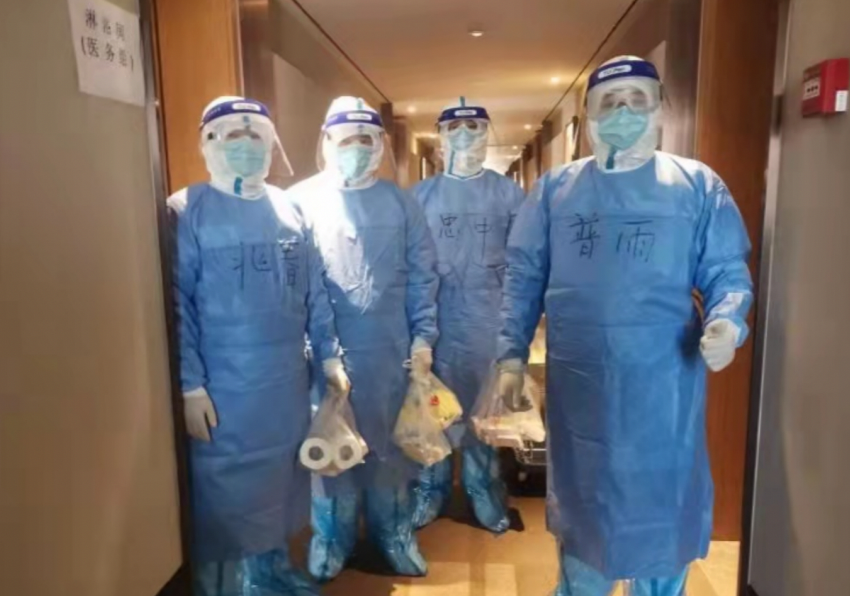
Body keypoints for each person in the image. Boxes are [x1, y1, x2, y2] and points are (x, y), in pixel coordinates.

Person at [495, 57, 754, 596]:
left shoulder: (695, 185)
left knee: (662, 508)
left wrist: (727, 323)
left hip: (664, 383)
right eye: (610, 102)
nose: (624, 113)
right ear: (589, 114)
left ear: (659, 108)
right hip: (581, 381)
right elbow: (522, 278)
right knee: (588, 516)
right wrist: (511, 355)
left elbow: (726, 269)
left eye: (637, 100)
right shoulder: (555, 191)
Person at [168, 96, 350, 596]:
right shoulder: (186, 210)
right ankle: (225, 585)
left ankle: (272, 571)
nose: (247, 145)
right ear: (208, 143)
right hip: (223, 391)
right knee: (226, 493)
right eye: (234, 135)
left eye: (256, 136)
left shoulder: (290, 209)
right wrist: (190, 386)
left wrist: (329, 356)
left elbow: (315, 292)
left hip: (284, 384)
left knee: (281, 484)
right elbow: (176, 305)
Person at [285, 96, 440, 582]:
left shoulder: (401, 203)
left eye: (366, 139)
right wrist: (326, 353)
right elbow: (301, 287)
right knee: (332, 451)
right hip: (324, 355)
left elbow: (423, 276)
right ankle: (332, 538)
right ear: (327, 142)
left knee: (389, 452)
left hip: (390, 353)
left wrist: (423, 338)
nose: (357, 148)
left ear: (380, 145)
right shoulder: (300, 202)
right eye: (347, 139)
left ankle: (394, 533)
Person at [409, 98, 524, 533]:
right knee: (431, 410)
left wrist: (514, 334)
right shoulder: (419, 196)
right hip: (434, 323)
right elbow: (409, 267)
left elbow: (524, 266)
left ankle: (483, 490)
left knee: (482, 411)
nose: (463, 135)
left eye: (474, 126)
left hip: (486, 323)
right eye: (454, 128)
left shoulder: (509, 194)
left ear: (487, 133)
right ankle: (430, 489)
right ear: (440, 136)